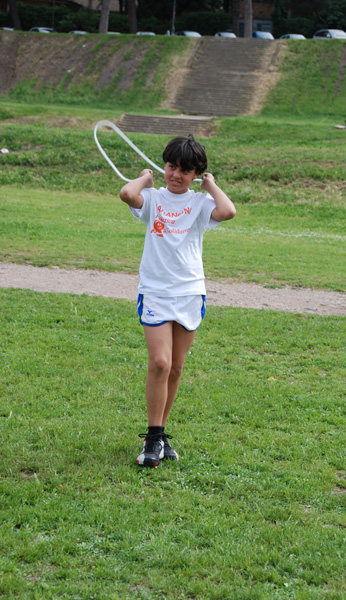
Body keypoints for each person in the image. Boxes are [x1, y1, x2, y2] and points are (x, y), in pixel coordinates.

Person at [119, 135, 236, 467]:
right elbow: (127, 193)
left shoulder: (200, 203)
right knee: (160, 363)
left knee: (177, 368)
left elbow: (228, 210)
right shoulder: (153, 198)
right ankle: (152, 438)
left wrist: (210, 185)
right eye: (171, 167)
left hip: (189, 292)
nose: (176, 175)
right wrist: (146, 176)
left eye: (185, 170)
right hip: (155, 291)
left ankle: (161, 435)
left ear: (196, 174)